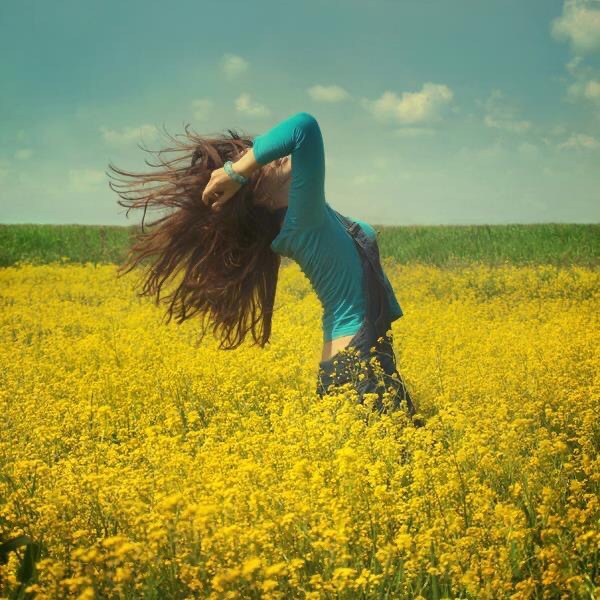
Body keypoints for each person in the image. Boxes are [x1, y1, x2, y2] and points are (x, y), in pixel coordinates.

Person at [108, 111, 423, 426]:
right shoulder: (301, 220)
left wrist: (243, 168)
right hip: (359, 359)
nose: (276, 157)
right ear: (260, 194)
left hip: (360, 354)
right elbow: (304, 128)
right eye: (264, 162)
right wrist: (235, 171)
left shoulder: (308, 214)